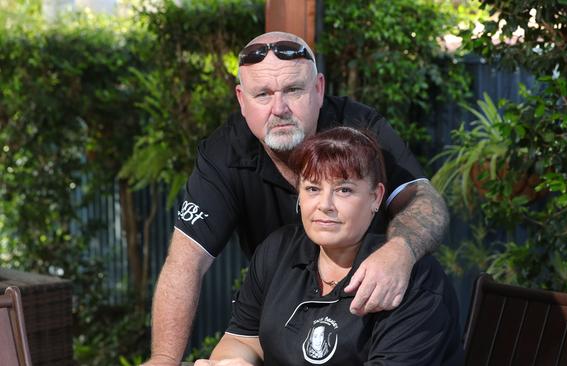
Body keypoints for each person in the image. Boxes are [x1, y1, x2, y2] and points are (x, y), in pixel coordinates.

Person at [145, 31, 449, 365]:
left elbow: (424, 202)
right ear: (241, 100)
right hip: (287, 312)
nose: (280, 108)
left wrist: (400, 253)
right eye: (262, 94)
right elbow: (185, 264)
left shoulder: (359, 132)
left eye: (293, 90)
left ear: (318, 89)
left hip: (376, 305)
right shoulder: (226, 159)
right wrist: (164, 360)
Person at [194, 127, 463, 365]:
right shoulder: (277, 252)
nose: (325, 205)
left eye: (344, 190)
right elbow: (242, 340)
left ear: (375, 197)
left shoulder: (411, 279)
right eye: (312, 189)